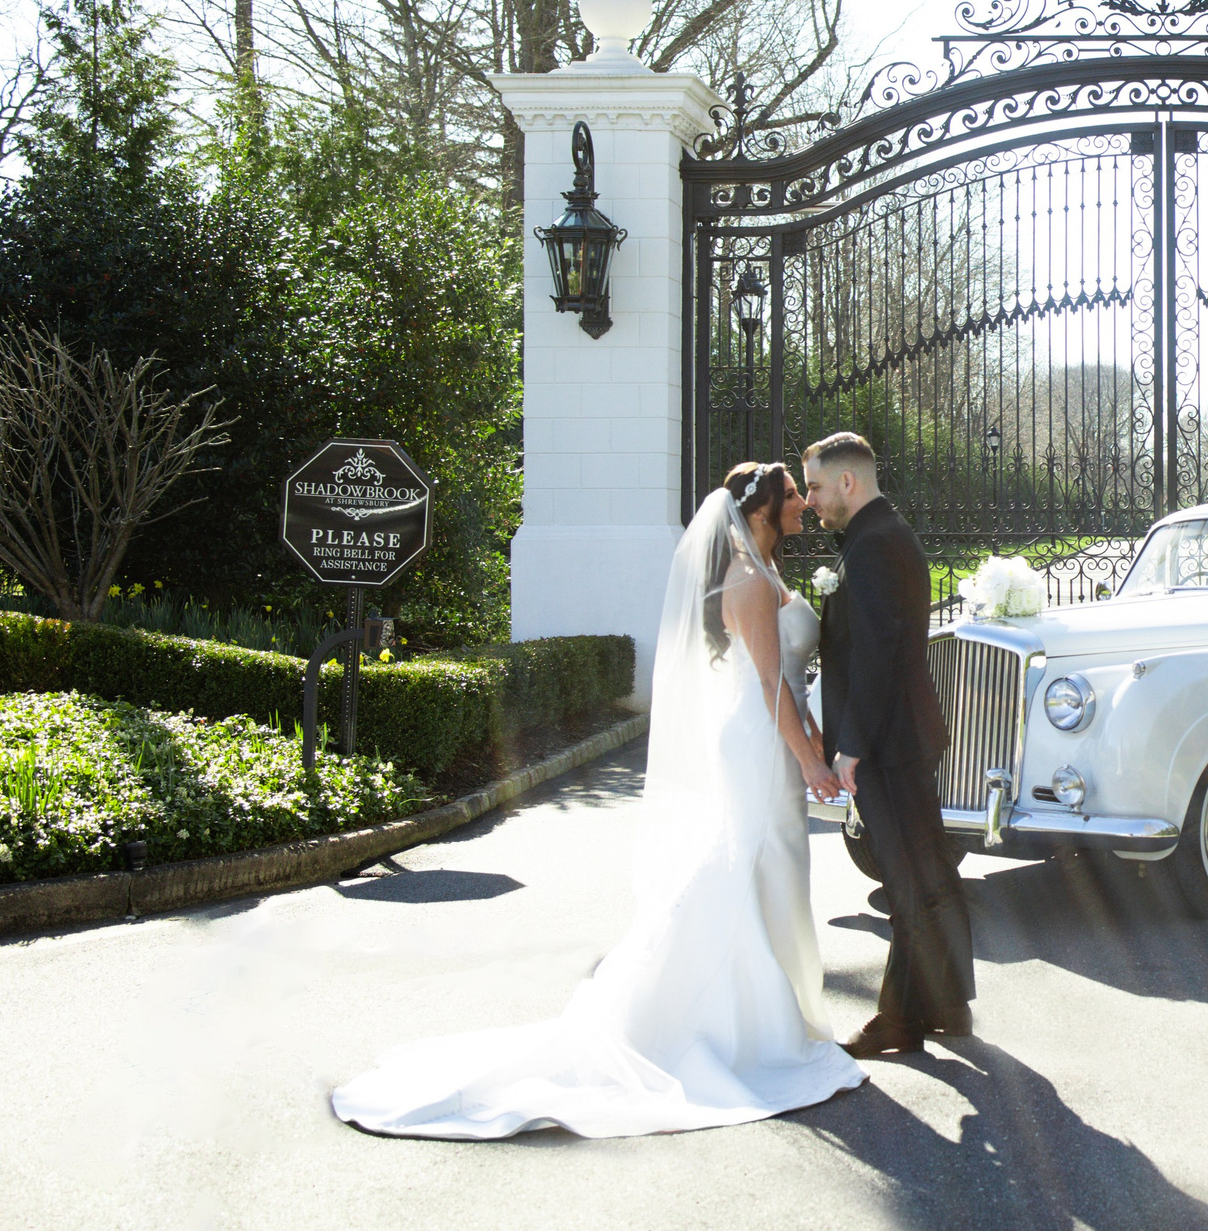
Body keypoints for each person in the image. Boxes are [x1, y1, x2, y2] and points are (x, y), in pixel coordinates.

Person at [329, 463, 863, 1138]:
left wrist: (812, 736)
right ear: (760, 509)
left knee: (768, 870)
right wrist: (809, 756)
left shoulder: (764, 569)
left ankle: (778, 1014)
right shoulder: (751, 581)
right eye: (791, 494)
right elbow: (766, 684)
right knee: (752, 865)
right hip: (758, 741)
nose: (800, 504)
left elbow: (784, 676)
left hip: (770, 733)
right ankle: (738, 1029)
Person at [804, 431, 976, 1056]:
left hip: (887, 740)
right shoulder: (883, 535)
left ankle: (899, 1020)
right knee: (927, 871)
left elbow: (876, 654)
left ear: (848, 481)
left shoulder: (875, 545)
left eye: (818, 487)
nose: (812, 500)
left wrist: (851, 746)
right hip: (903, 733)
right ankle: (949, 1004)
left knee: (908, 880)